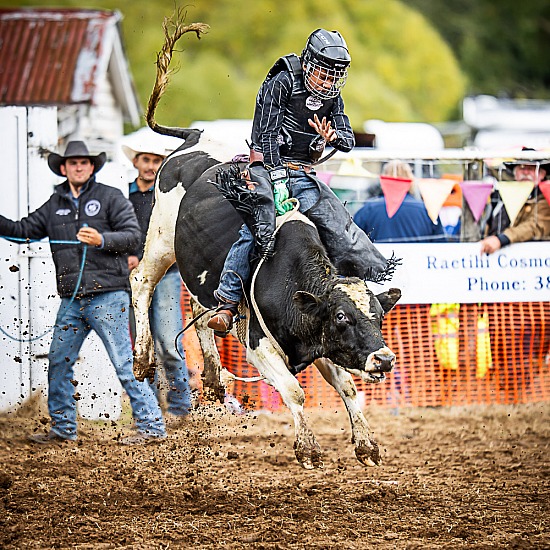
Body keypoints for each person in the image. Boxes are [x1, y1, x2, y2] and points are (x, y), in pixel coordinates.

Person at [208, 28, 390, 334]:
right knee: (257, 228)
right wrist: (277, 177)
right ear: (308, 64)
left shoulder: (333, 98)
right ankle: (227, 303)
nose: (328, 82)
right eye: (324, 73)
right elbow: (266, 135)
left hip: (304, 174)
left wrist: (332, 137)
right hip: (266, 166)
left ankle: (360, 287)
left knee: (340, 225)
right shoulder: (282, 82)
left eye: (335, 76)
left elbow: (347, 138)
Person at [0, 141, 166, 445]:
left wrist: (102, 239)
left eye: (84, 163)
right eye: (73, 163)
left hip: (109, 295)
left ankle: (152, 428)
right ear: (63, 168)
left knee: (125, 365)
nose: (78, 167)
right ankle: (63, 429)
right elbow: (21, 230)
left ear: (92, 168)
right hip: (71, 300)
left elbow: (133, 236)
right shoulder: (54, 205)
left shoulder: (110, 197)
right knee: (58, 362)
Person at [122, 138, 192, 422]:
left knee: (168, 342)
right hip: (134, 278)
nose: (150, 166)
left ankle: (179, 407)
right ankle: (151, 410)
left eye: (155, 161)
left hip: (166, 275)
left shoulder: (168, 197)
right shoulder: (122, 198)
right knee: (142, 344)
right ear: (136, 163)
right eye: (145, 160)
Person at [353, 160, 446, 243]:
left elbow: (353, 241)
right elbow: (440, 246)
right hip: (417, 261)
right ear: (410, 179)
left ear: (383, 180)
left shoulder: (368, 209)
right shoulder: (427, 210)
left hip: (379, 261)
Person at [480, 147, 550, 254]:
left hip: (531, 259)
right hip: (492, 256)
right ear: (515, 172)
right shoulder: (499, 196)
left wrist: (501, 239)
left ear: (542, 174)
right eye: (521, 167)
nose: (525, 172)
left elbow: (535, 226)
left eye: (531, 168)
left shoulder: (545, 196)